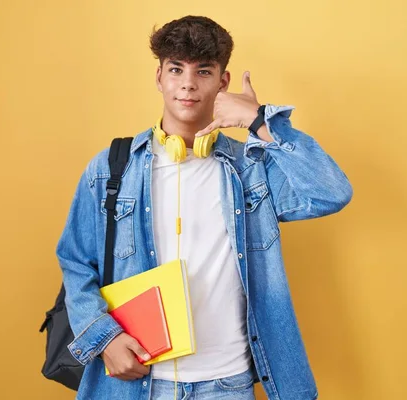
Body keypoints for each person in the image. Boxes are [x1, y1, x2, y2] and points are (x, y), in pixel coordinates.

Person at [56, 15, 353, 400]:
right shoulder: (112, 168)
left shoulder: (251, 169)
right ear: (159, 76)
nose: (188, 84)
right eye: (176, 69)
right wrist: (104, 337)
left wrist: (259, 121)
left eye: (204, 71)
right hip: (136, 384)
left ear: (223, 82)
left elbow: (331, 192)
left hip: (226, 383)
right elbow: (76, 261)